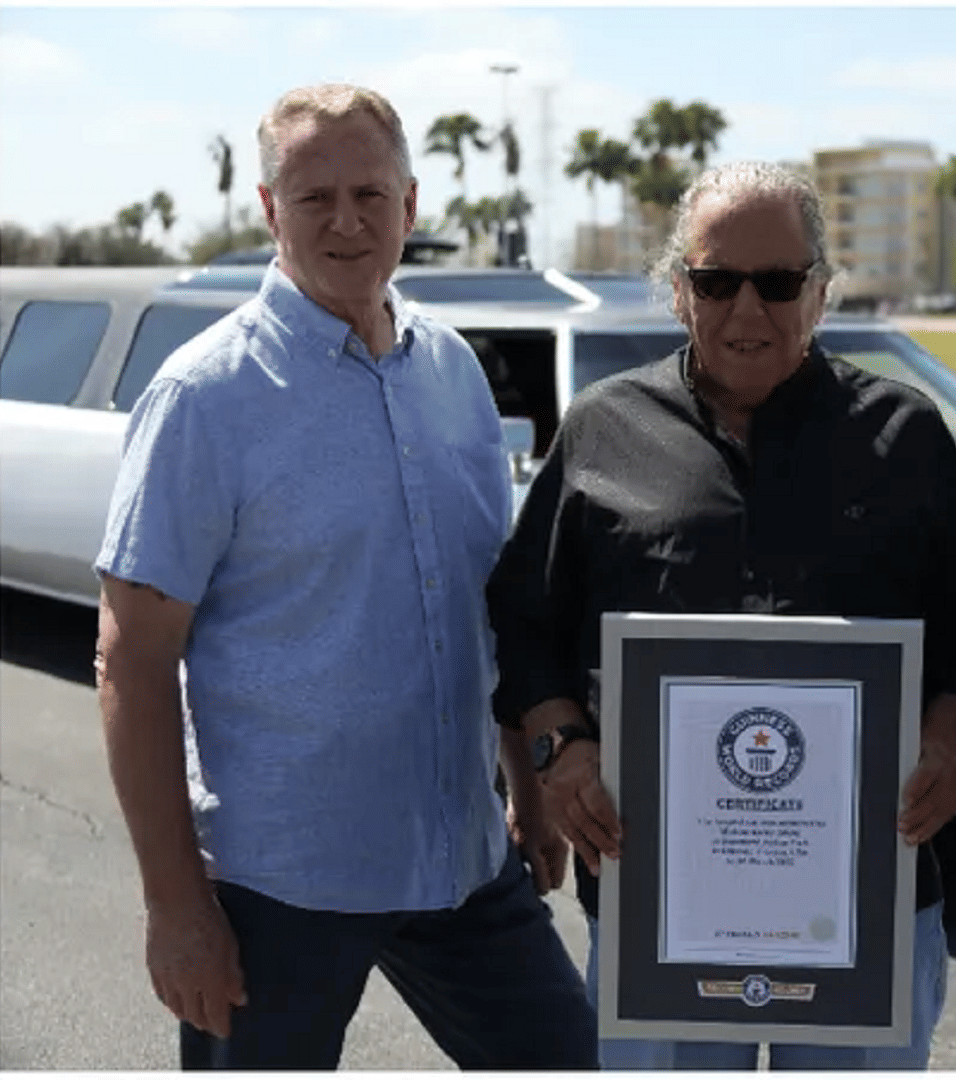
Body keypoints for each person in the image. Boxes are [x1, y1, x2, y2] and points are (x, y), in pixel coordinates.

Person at [93, 83, 597, 1071]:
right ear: (270, 211)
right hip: (281, 887)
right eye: (313, 197)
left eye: (370, 193)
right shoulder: (206, 397)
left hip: (461, 861)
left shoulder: (453, 374)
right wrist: (175, 905)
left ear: (410, 206)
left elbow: (484, 610)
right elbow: (133, 663)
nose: (346, 219)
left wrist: (526, 797)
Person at [486, 161, 956, 1070]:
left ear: (819, 290)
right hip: (653, 896)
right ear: (676, 287)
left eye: (778, 283)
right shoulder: (604, 428)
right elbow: (527, 623)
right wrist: (561, 751)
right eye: (715, 280)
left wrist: (940, 746)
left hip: (867, 902)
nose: (747, 309)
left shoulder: (905, 433)